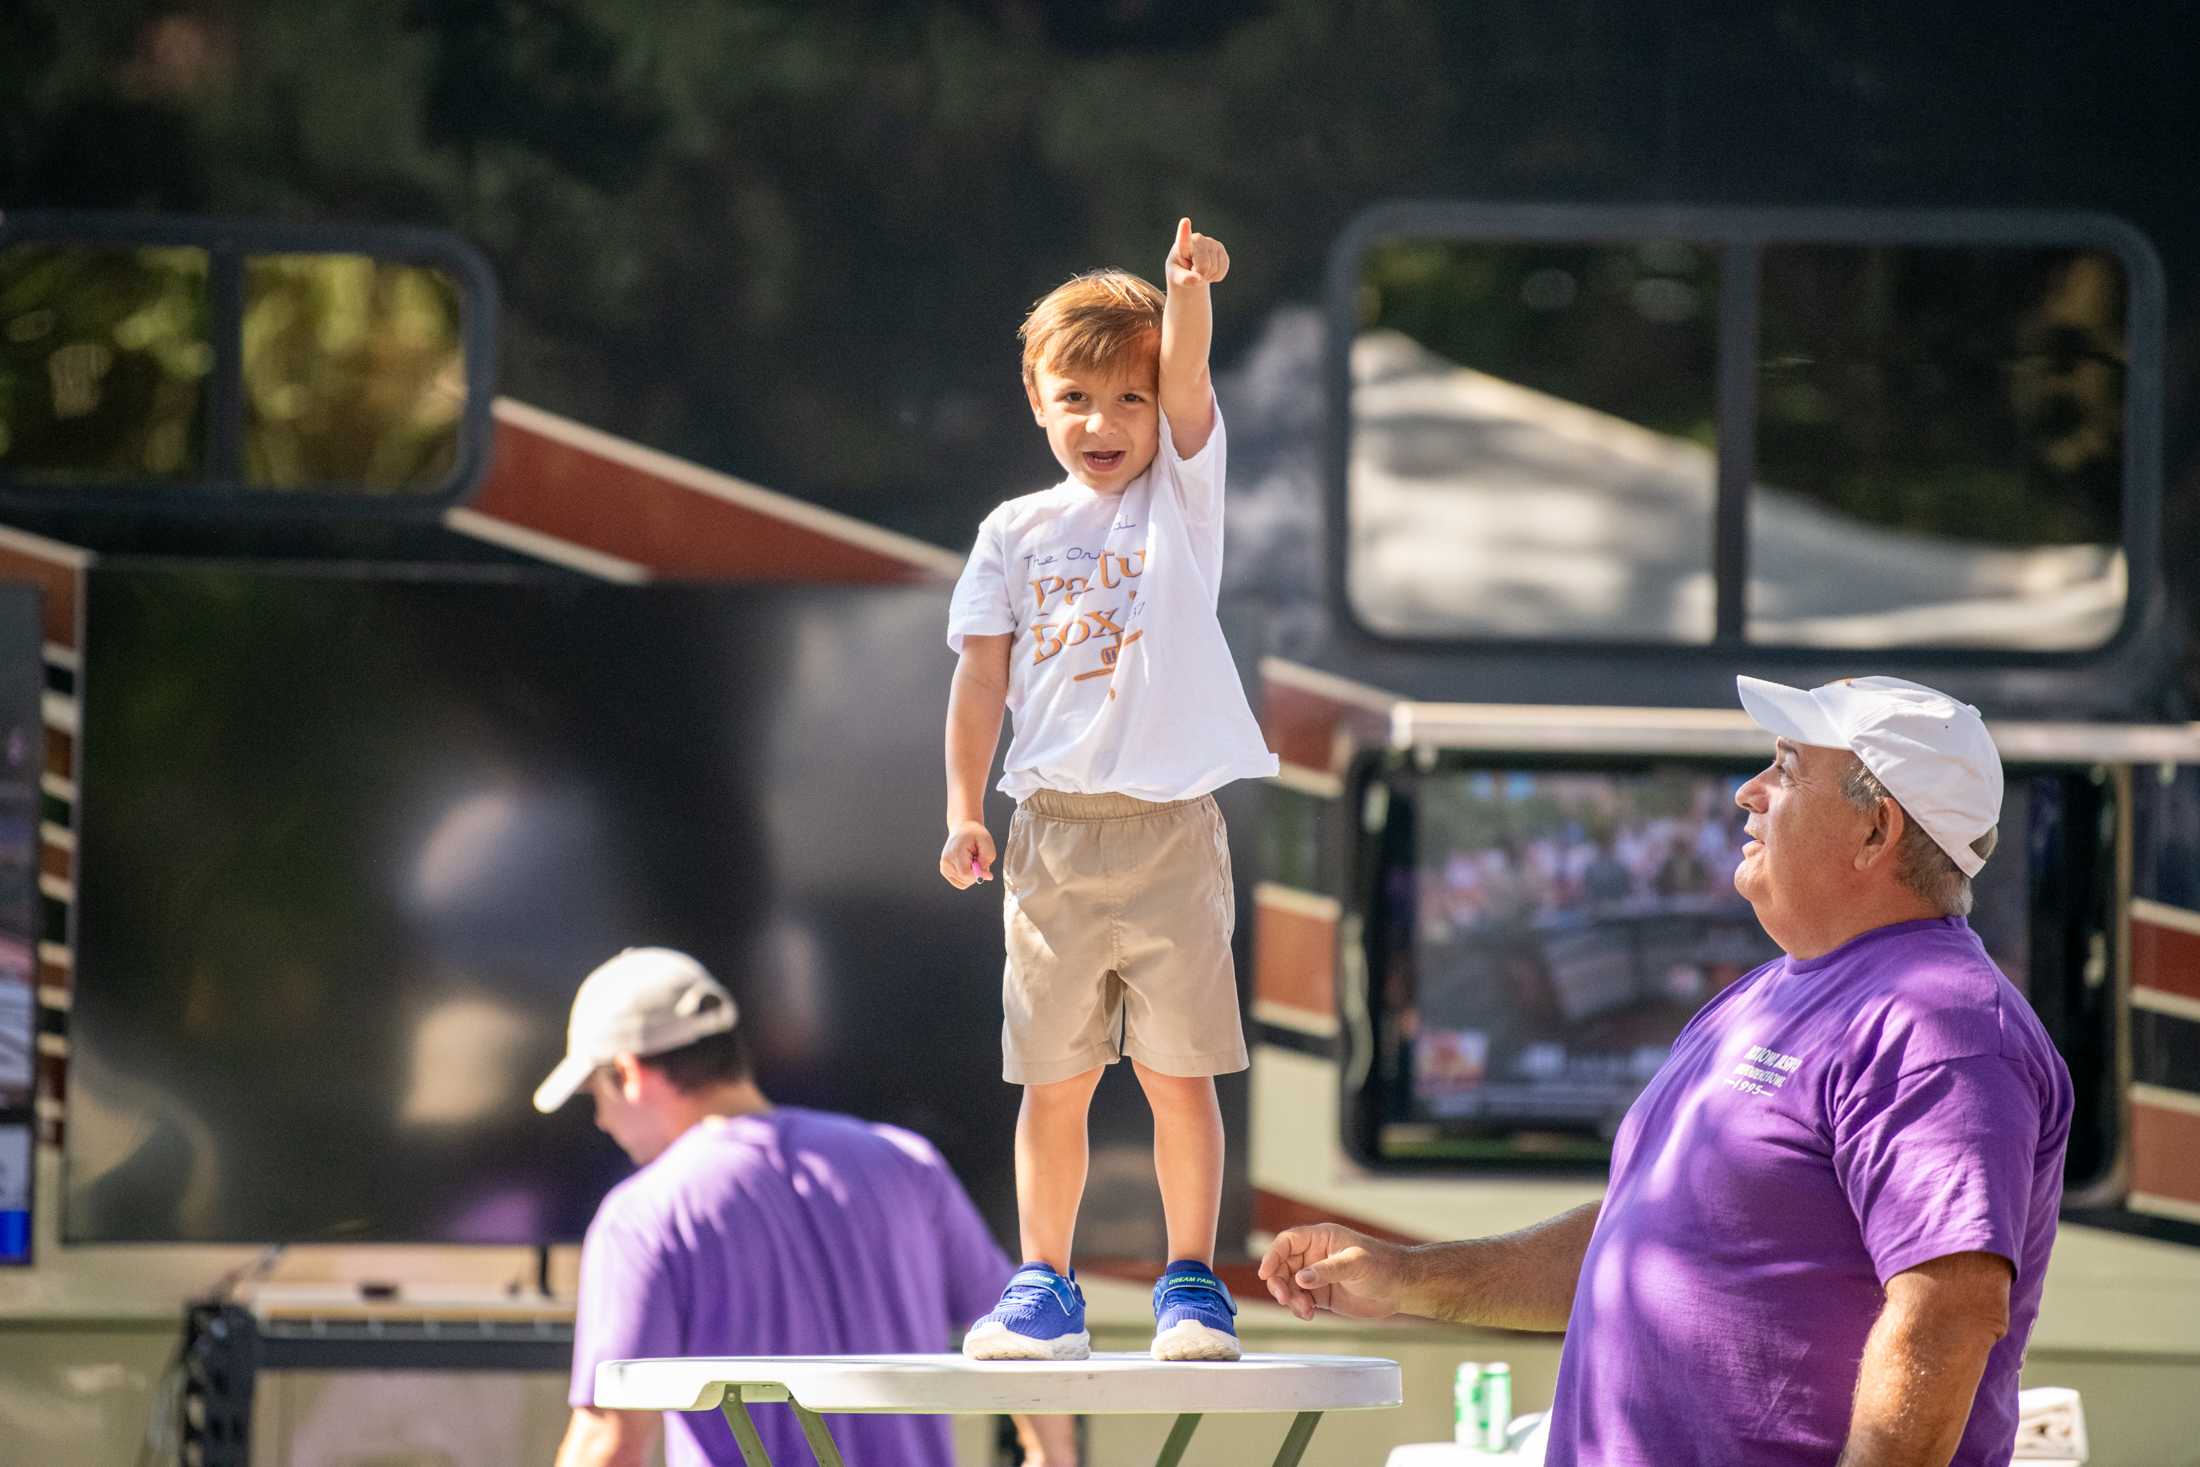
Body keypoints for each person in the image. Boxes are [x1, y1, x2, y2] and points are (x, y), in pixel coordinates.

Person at [1259, 675, 2074, 1467]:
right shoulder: (1771, 990)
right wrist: (1405, 1276)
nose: (1749, 792)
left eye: (1787, 769)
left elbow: (1949, 1313)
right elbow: (1640, 1242)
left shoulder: (1943, 1026)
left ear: (1876, 831)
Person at [939, 218, 1278, 1362]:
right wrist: (961, 809)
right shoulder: (1012, 532)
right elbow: (981, 680)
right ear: (1036, 400)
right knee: (1056, 1077)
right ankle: (1044, 1284)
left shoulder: (1178, 503)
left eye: (1128, 401)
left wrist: (1187, 291)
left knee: (1181, 1074)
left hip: (1170, 829)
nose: (1105, 423)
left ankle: (1191, 1283)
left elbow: (1186, 373)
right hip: (1050, 835)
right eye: (1076, 397)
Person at [538, 947, 1075, 1467]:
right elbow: (1028, 1344)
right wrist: (1049, 1456)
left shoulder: (641, 1218)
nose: (601, 1121)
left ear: (630, 1074)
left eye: (595, 1096)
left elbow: (610, 1445)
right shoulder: (907, 1163)